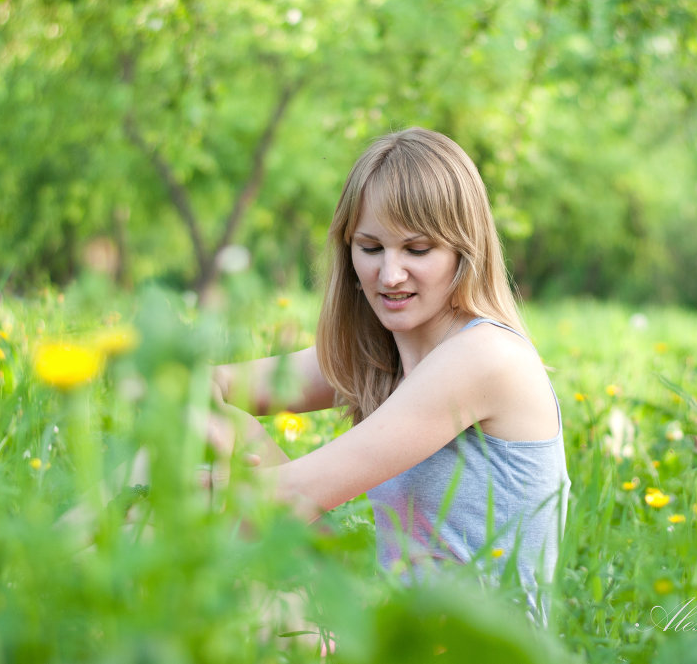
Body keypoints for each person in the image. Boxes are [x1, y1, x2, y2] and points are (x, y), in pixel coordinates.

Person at [211, 127, 570, 616]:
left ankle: (78, 586)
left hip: (467, 649)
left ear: (464, 251)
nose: (390, 274)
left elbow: (293, 496)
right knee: (210, 424)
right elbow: (204, 387)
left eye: (418, 250)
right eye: (372, 248)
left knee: (229, 612)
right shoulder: (380, 352)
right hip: (391, 630)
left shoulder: (484, 357)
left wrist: (172, 492)